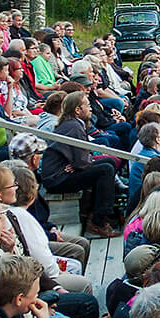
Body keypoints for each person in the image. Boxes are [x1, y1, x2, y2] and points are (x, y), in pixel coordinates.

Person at [39, 91, 121, 237]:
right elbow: (81, 161)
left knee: (108, 161)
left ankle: (96, 211)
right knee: (106, 169)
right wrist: (79, 163)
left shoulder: (73, 123)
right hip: (58, 179)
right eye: (87, 105)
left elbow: (82, 158)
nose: (90, 109)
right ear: (77, 110)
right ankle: (98, 221)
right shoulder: (74, 126)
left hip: (64, 171)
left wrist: (79, 162)